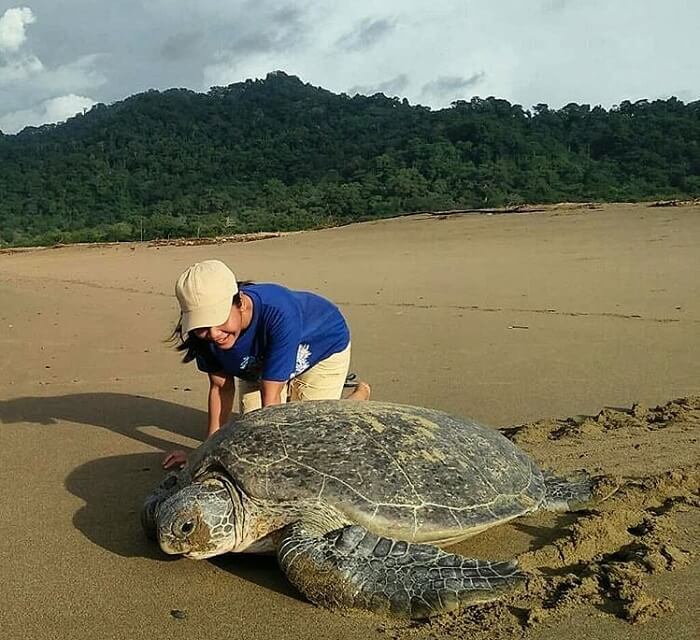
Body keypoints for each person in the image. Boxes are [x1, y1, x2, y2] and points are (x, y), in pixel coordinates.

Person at [163, 259, 371, 469]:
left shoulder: (278, 311)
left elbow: (270, 400)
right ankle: (293, 386)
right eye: (203, 326)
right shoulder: (205, 337)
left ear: (240, 303)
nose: (214, 335)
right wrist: (204, 454)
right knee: (251, 431)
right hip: (259, 363)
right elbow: (220, 388)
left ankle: (356, 398)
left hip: (319, 345)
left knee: (307, 437)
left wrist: (274, 465)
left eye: (219, 321)